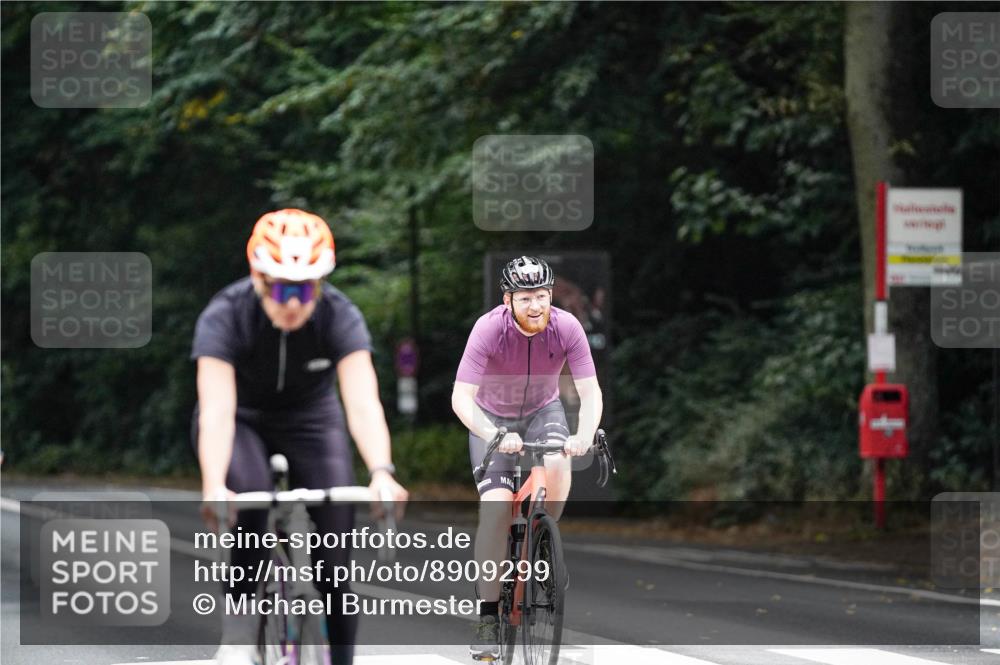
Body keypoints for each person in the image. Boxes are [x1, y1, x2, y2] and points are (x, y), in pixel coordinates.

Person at [191, 209, 408, 665]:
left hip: (312, 419)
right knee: (251, 501)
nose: (293, 302)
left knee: (334, 565)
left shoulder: (338, 314)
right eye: (281, 288)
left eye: (305, 289)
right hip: (242, 419)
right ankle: (237, 637)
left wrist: (382, 472)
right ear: (258, 277)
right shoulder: (225, 315)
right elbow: (216, 409)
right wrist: (214, 484)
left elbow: (363, 401)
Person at [451, 256, 603, 660]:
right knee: (496, 510)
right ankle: (487, 615)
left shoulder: (566, 326)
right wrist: (492, 434)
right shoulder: (488, 329)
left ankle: (544, 542)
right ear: (508, 300)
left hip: (543, 413)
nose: (536, 306)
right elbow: (461, 398)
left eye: (543, 296)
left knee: (557, 462)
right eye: (526, 298)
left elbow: (590, 392)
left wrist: (584, 434)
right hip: (493, 419)